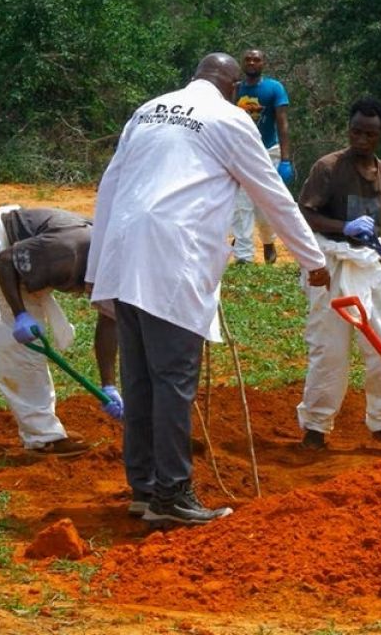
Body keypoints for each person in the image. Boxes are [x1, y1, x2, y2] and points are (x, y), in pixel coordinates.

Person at [87, 52, 330, 526]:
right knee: (174, 382)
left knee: (139, 382)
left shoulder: (148, 109)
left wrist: (99, 271)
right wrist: (313, 260)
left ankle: (144, 489)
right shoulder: (228, 118)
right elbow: (271, 193)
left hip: (124, 252)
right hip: (171, 259)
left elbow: (109, 187)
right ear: (230, 85)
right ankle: (172, 496)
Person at [295, 97, 381, 450]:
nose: (361, 139)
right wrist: (344, 226)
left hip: (369, 265)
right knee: (330, 348)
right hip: (333, 263)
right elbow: (304, 215)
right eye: (356, 132)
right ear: (348, 130)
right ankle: (316, 427)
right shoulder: (328, 168)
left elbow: (378, 235)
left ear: (380, 135)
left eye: (369, 134)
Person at [0, 206, 123, 457]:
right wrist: (19, 314)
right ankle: (43, 438)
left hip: (31, 255)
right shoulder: (68, 252)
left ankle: (42, 430)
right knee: (20, 353)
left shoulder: (113, 264)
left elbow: (109, 319)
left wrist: (109, 386)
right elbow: (5, 261)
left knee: (29, 350)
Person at [229, 49, 294, 264]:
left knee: (264, 206)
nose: (252, 63)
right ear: (242, 62)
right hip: (240, 151)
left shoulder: (274, 88)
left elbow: (282, 123)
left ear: (263, 63)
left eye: (256, 59)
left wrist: (285, 160)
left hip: (267, 151)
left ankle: (268, 241)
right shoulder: (235, 89)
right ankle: (244, 256)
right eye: (247, 59)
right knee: (241, 205)